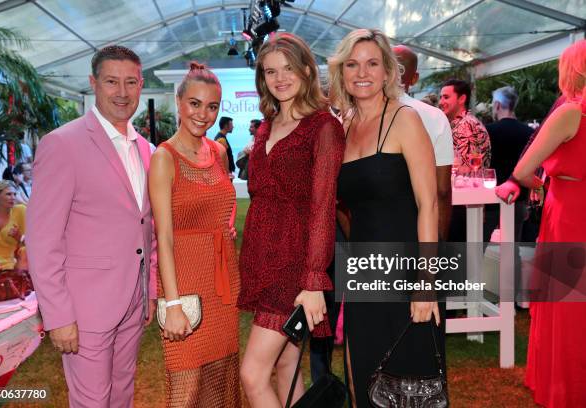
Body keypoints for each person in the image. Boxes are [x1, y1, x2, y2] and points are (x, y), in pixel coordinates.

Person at [26, 45, 157, 408]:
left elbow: (147, 228)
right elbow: (41, 239)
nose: (122, 92)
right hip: (84, 309)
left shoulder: (145, 149)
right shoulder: (62, 145)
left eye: (131, 82)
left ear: (141, 84)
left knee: (122, 393)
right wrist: (58, 315)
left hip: (132, 300)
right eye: (112, 81)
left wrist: (151, 291)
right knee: (91, 402)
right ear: (93, 84)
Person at [328, 28, 443, 406]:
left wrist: (426, 281)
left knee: (411, 388)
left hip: (408, 271)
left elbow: (430, 204)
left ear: (388, 72)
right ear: (341, 72)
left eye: (372, 63)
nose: (362, 72)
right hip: (364, 275)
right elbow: (346, 205)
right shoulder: (342, 127)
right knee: (365, 379)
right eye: (352, 64)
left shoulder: (405, 120)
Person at [238, 32, 344, 407]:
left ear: (305, 69)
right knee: (285, 366)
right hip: (263, 260)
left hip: (293, 265)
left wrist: (314, 279)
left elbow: (322, 206)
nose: (279, 78)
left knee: (252, 375)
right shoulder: (268, 123)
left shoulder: (323, 126)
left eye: (287, 68)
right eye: (270, 71)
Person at [495, 39, 586, 408]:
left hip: (569, 207)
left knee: (569, 302)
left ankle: (566, 386)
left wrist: (549, 182)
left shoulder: (571, 113)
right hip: (571, 211)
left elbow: (521, 170)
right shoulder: (572, 113)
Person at [148, 62, 241, 407]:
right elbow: (165, 238)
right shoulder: (164, 158)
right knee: (185, 387)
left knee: (219, 381)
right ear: (179, 102)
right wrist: (172, 305)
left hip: (222, 281)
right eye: (195, 103)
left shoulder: (217, 152)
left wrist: (224, 222)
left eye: (212, 106)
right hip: (185, 284)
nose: (203, 114)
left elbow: (222, 200)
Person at [393, 45, 454, 240]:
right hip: (423, 223)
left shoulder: (359, 116)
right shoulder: (435, 117)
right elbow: (442, 190)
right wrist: (441, 239)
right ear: (415, 78)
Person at [484, 86, 533, 242]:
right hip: (518, 197)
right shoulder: (528, 132)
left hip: (490, 198)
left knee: (479, 246)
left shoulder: (488, 131)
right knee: (512, 248)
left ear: (497, 105)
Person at [439, 78, 491, 168]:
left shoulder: (466, 125)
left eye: (446, 97)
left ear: (462, 99)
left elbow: (464, 171)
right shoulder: (464, 122)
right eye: (441, 97)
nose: (440, 102)